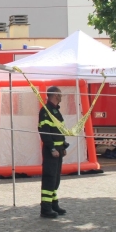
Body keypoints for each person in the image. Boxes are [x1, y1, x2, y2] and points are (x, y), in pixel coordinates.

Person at [38, 86, 69, 218]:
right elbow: (44, 132)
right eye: (60, 94)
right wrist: (52, 148)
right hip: (51, 151)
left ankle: (53, 204)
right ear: (55, 95)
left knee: (55, 179)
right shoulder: (46, 111)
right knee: (49, 178)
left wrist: (63, 146)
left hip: (58, 150)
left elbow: (59, 131)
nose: (61, 96)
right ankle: (45, 209)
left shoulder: (55, 111)